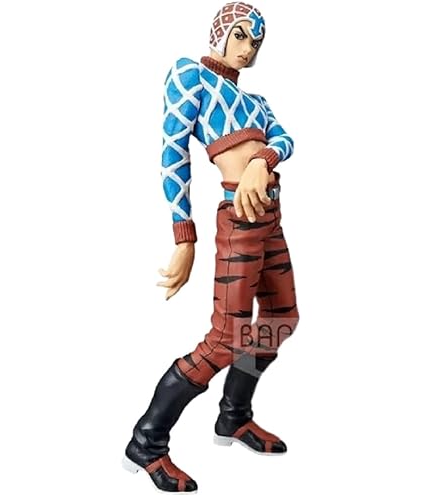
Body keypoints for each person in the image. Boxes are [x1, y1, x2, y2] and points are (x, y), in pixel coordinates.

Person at [123, 2, 300, 492]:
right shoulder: (191, 76)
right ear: (220, 32)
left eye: (256, 41)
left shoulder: (257, 102)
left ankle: (234, 415)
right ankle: (147, 441)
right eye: (240, 35)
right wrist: (184, 237)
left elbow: (286, 138)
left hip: (271, 218)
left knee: (282, 317)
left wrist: (263, 160)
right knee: (227, 338)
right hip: (239, 220)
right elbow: (172, 153)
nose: (249, 49)